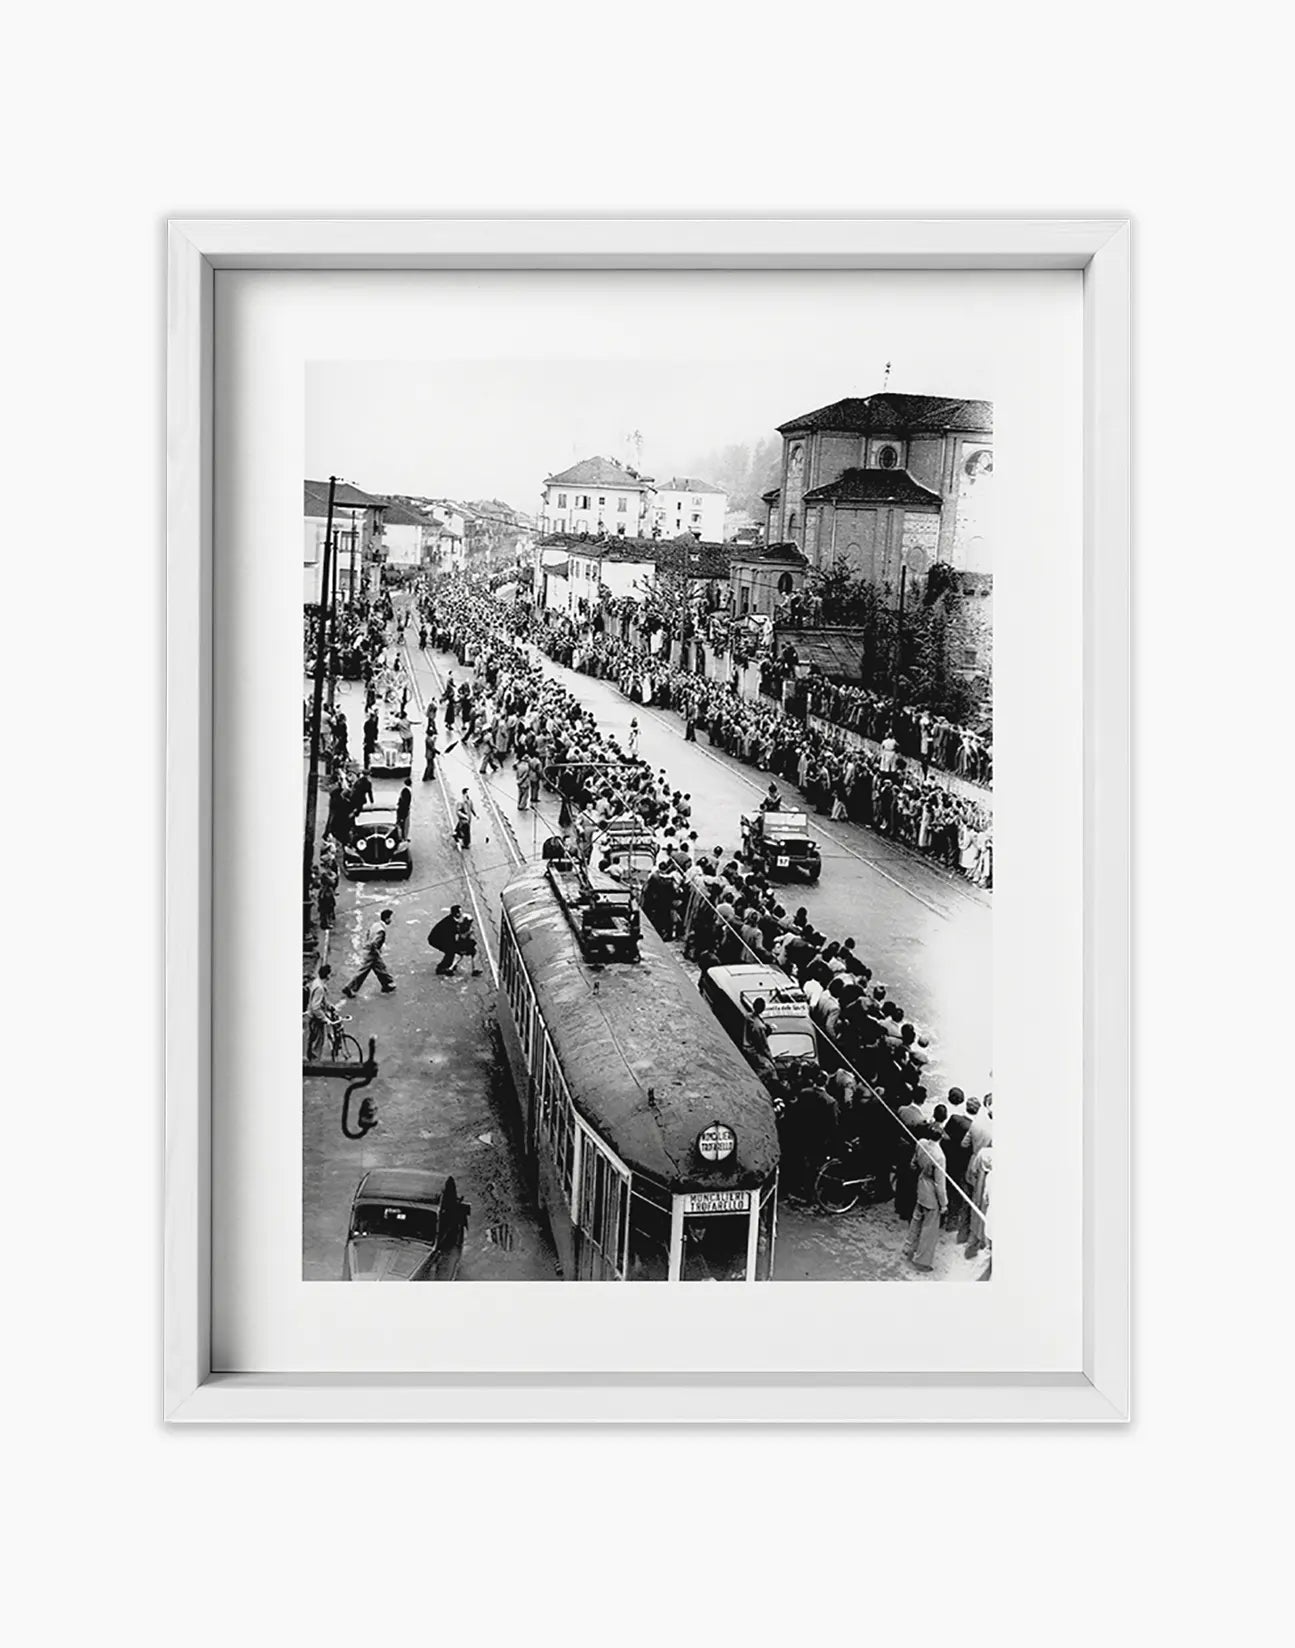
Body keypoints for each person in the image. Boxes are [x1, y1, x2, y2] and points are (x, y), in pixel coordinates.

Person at [904, 1129, 948, 1270]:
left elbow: (914, 1162)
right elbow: (940, 1184)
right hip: (931, 1192)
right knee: (929, 1229)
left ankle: (909, 1247)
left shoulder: (921, 1143)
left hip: (921, 1185)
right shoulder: (940, 1156)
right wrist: (944, 1204)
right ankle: (922, 1260)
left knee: (916, 1220)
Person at [342, 909, 396, 997]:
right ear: (386, 919)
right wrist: (376, 951)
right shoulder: (381, 930)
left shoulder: (376, 925)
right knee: (363, 972)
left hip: (369, 951)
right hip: (372, 953)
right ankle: (349, 987)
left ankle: (386, 984)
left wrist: (366, 944)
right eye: (390, 918)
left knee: (381, 968)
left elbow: (368, 933)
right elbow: (374, 943)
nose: (390, 920)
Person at [305, 964, 332, 1058]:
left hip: (310, 1016)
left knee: (311, 1040)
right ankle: (315, 1063)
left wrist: (328, 1006)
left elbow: (320, 1000)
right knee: (317, 1043)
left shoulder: (316, 982)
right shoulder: (320, 988)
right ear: (327, 975)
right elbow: (316, 1007)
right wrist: (325, 1019)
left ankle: (309, 1059)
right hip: (316, 1020)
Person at [427, 905, 463, 976]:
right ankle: (441, 968)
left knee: (453, 950)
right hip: (435, 940)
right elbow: (450, 938)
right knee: (450, 951)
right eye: (460, 912)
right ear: (456, 914)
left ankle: (449, 964)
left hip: (442, 938)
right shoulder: (449, 924)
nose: (461, 914)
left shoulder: (453, 920)